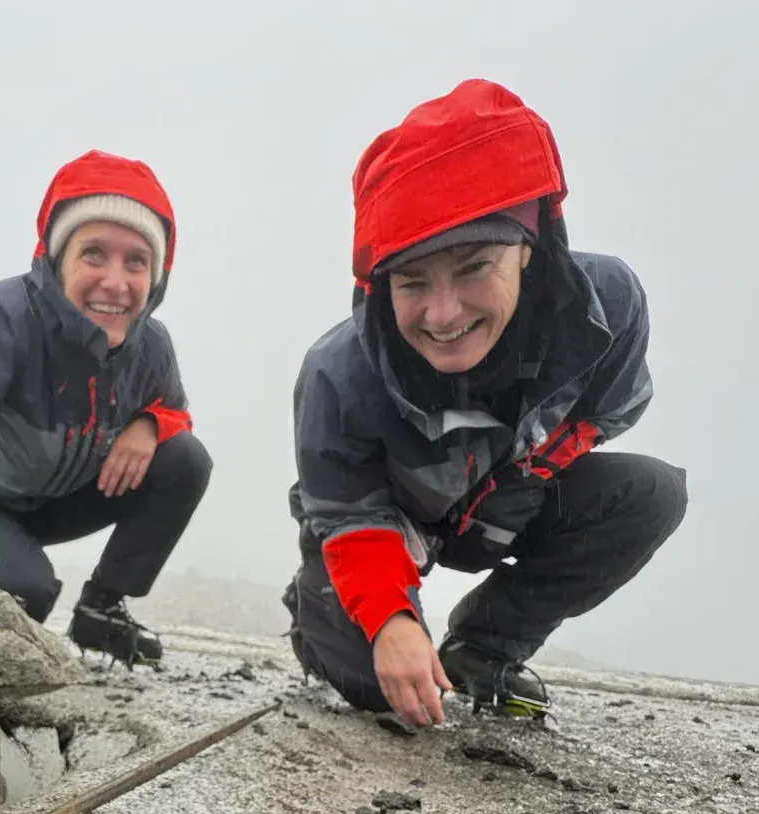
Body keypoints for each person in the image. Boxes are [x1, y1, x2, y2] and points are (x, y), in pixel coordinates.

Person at [284, 79, 687, 726]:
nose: (443, 315)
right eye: (412, 282)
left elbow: (603, 413)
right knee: (374, 684)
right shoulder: (336, 375)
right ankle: (322, 617)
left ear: (531, 247)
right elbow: (348, 511)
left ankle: (484, 647)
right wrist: (390, 619)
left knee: (653, 492)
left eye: (474, 267)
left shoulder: (605, 311)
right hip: (390, 522)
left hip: (506, 500)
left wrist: (531, 474)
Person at [0, 150, 210, 666]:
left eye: (136, 261)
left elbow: (174, 409)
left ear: (157, 274)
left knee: (185, 460)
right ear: (58, 258)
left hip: (61, 498)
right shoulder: (1, 314)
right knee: (28, 593)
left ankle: (102, 610)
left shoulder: (150, 344)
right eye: (94, 254)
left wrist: (151, 423)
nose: (115, 282)